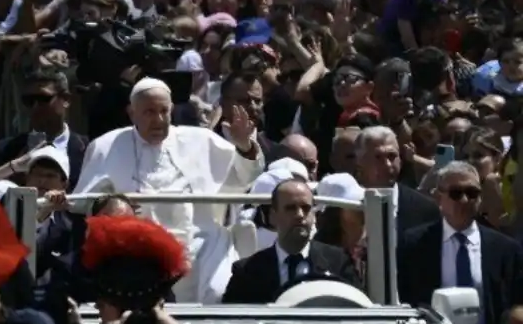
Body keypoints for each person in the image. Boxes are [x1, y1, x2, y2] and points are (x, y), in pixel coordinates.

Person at [75, 77, 264, 302]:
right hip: (141, 249)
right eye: (149, 112)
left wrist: (244, 148)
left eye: (164, 111)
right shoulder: (106, 146)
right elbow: (84, 202)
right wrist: (112, 204)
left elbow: (239, 182)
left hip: (202, 242)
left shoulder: (200, 140)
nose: (159, 120)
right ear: (132, 113)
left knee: (218, 294)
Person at [398, 161, 523, 324]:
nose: (465, 200)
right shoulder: (414, 244)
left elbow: (514, 312)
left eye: (472, 193)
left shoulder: (505, 250)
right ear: (439, 198)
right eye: (456, 193)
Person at [222, 179, 361, 304]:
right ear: (272, 216)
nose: (300, 215)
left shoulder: (338, 263)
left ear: (314, 215)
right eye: (290, 208)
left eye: (306, 208)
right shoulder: (247, 272)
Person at [0, 69, 88, 192]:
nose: (35, 107)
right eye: (29, 101)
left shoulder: (87, 151)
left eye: (43, 99)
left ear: (66, 99)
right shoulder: (4, 151)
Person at [355, 126, 441, 235]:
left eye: (392, 156)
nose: (387, 165)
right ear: (360, 163)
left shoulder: (425, 210)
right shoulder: (345, 205)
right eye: (378, 157)